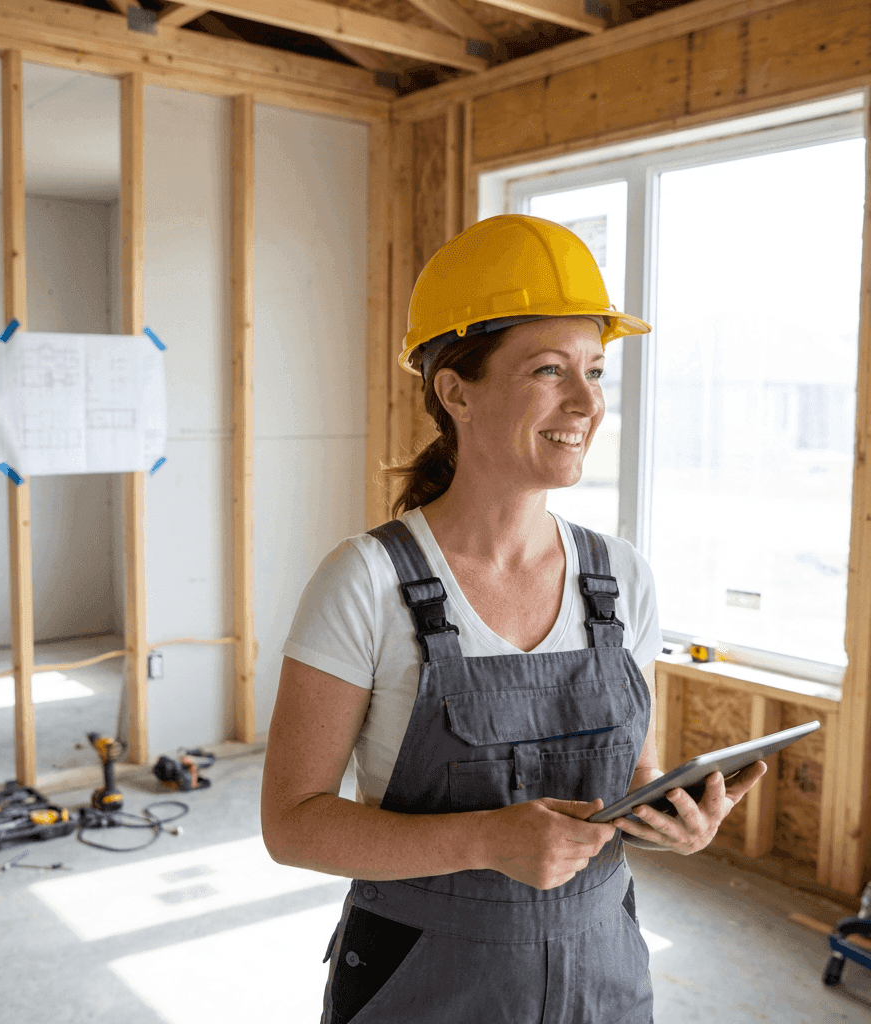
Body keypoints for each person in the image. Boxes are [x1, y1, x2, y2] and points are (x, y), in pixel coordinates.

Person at [260, 214, 768, 1024]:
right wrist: (486, 840)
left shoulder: (622, 579)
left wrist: (674, 821)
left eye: (595, 370)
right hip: (420, 984)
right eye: (548, 370)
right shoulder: (365, 581)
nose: (585, 402)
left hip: (603, 975)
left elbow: (633, 782)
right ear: (455, 390)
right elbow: (292, 826)